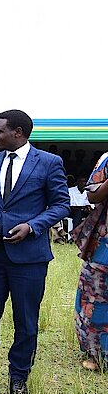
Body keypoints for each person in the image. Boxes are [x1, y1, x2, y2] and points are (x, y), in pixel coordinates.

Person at [0, 109, 69, 394]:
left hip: (29, 257)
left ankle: (19, 376)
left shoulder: (49, 162)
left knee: (26, 320)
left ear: (18, 132)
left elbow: (61, 204)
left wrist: (32, 226)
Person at [73, 152, 108, 371]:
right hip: (105, 241)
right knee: (97, 294)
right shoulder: (107, 159)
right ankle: (98, 354)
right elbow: (92, 196)